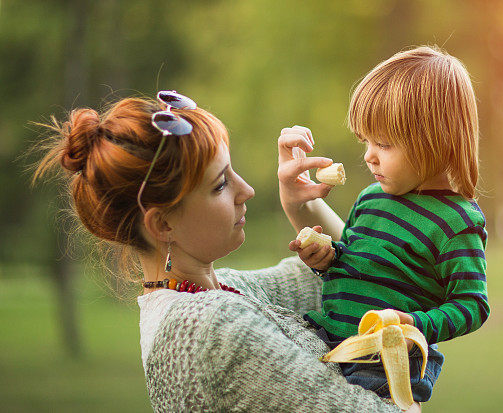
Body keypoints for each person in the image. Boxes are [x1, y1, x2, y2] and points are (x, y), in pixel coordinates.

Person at [34, 91, 418, 412]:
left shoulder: (216, 294)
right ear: (164, 224)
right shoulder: (208, 329)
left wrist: (298, 203)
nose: (246, 190)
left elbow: (364, 276)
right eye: (220, 185)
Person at [280, 46, 490, 404]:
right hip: (332, 336)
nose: (368, 155)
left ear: (435, 140)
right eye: (366, 141)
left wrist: (412, 324)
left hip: (385, 364)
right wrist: (327, 257)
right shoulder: (371, 198)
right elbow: (354, 265)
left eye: (384, 143)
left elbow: (473, 305)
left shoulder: (457, 222)